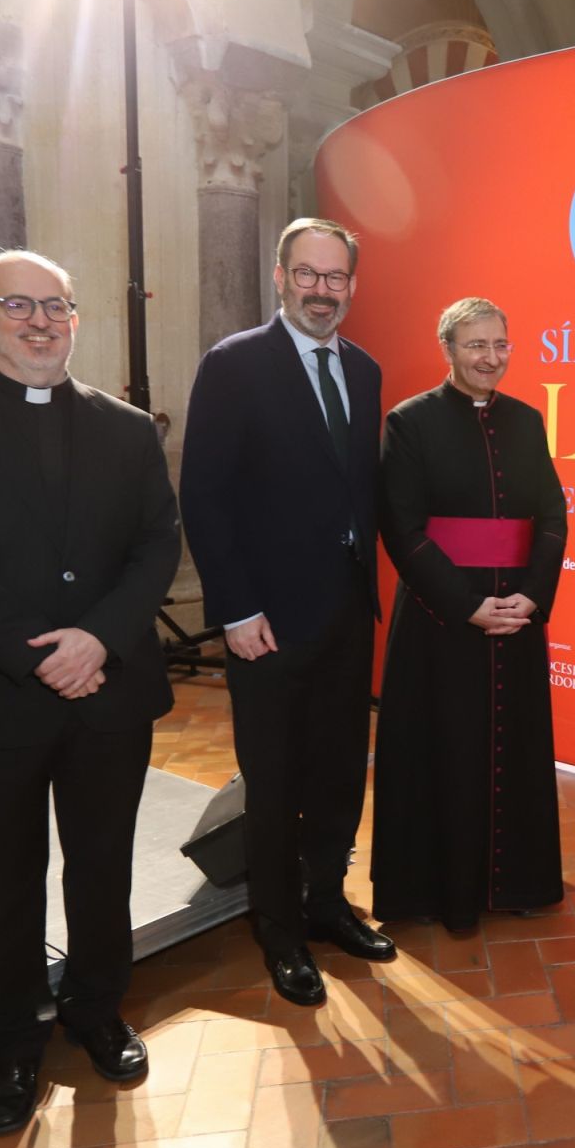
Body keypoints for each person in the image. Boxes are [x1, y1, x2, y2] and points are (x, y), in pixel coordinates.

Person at [0, 249, 180, 1136]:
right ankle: (10, 1043)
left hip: (110, 687)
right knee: (3, 881)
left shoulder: (129, 429)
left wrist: (97, 638)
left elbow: (156, 547)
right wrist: (39, 651)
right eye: (18, 305)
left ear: (75, 319)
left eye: (57, 305)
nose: (41, 320)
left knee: (102, 867)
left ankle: (97, 1010)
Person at [179, 218, 392, 1011]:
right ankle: (278, 930)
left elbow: (355, 491)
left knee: (339, 773)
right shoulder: (234, 364)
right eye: (308, 274)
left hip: (344, 611)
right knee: (274, 783)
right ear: (279, 276)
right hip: (263, 621)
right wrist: (233, 608)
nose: (322, 290)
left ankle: (327, 902)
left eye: (336, 278)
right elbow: (204, 495)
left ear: (351, 287)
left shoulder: (365, 370)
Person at [371, 298, 567, 930]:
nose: (490, 358)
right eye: (476, 345)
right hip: (441, 616)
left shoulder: (528, 420)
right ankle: (442, 893)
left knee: (515, 747)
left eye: (500, 345)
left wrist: (531, 596)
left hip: (515, 610)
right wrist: (466, 606)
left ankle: (516, 882)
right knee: (443, 747)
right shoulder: (410, 421)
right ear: (448, 350)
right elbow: (401, 530)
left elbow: (553, 518)